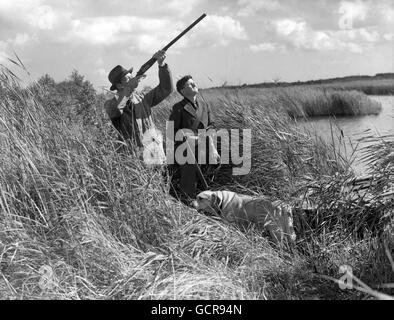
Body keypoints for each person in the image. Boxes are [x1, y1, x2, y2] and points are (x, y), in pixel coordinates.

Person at [104, 50, 173, 161]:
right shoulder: (110, 104)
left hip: (154, 152)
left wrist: (161, 65)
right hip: (132, 156)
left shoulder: (142, 98)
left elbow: (166, 89)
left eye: (132, 77)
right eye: (128, 78)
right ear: (119, 85)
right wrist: (129, 88)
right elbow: (117, 109)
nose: (132, 79)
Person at [168, 75, 220, 203]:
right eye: (189, 85)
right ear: (183, 91)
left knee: (219, 161)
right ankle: (188, 201)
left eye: (193, 83)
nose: (193, 85)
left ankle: (213, 198)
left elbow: (212, 126)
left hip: (205, 144)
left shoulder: (204, 105)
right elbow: (171, 132)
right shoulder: (178, 108)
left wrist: (212, 146)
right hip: (185, 147)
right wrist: (186, 136)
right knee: (189, 165)